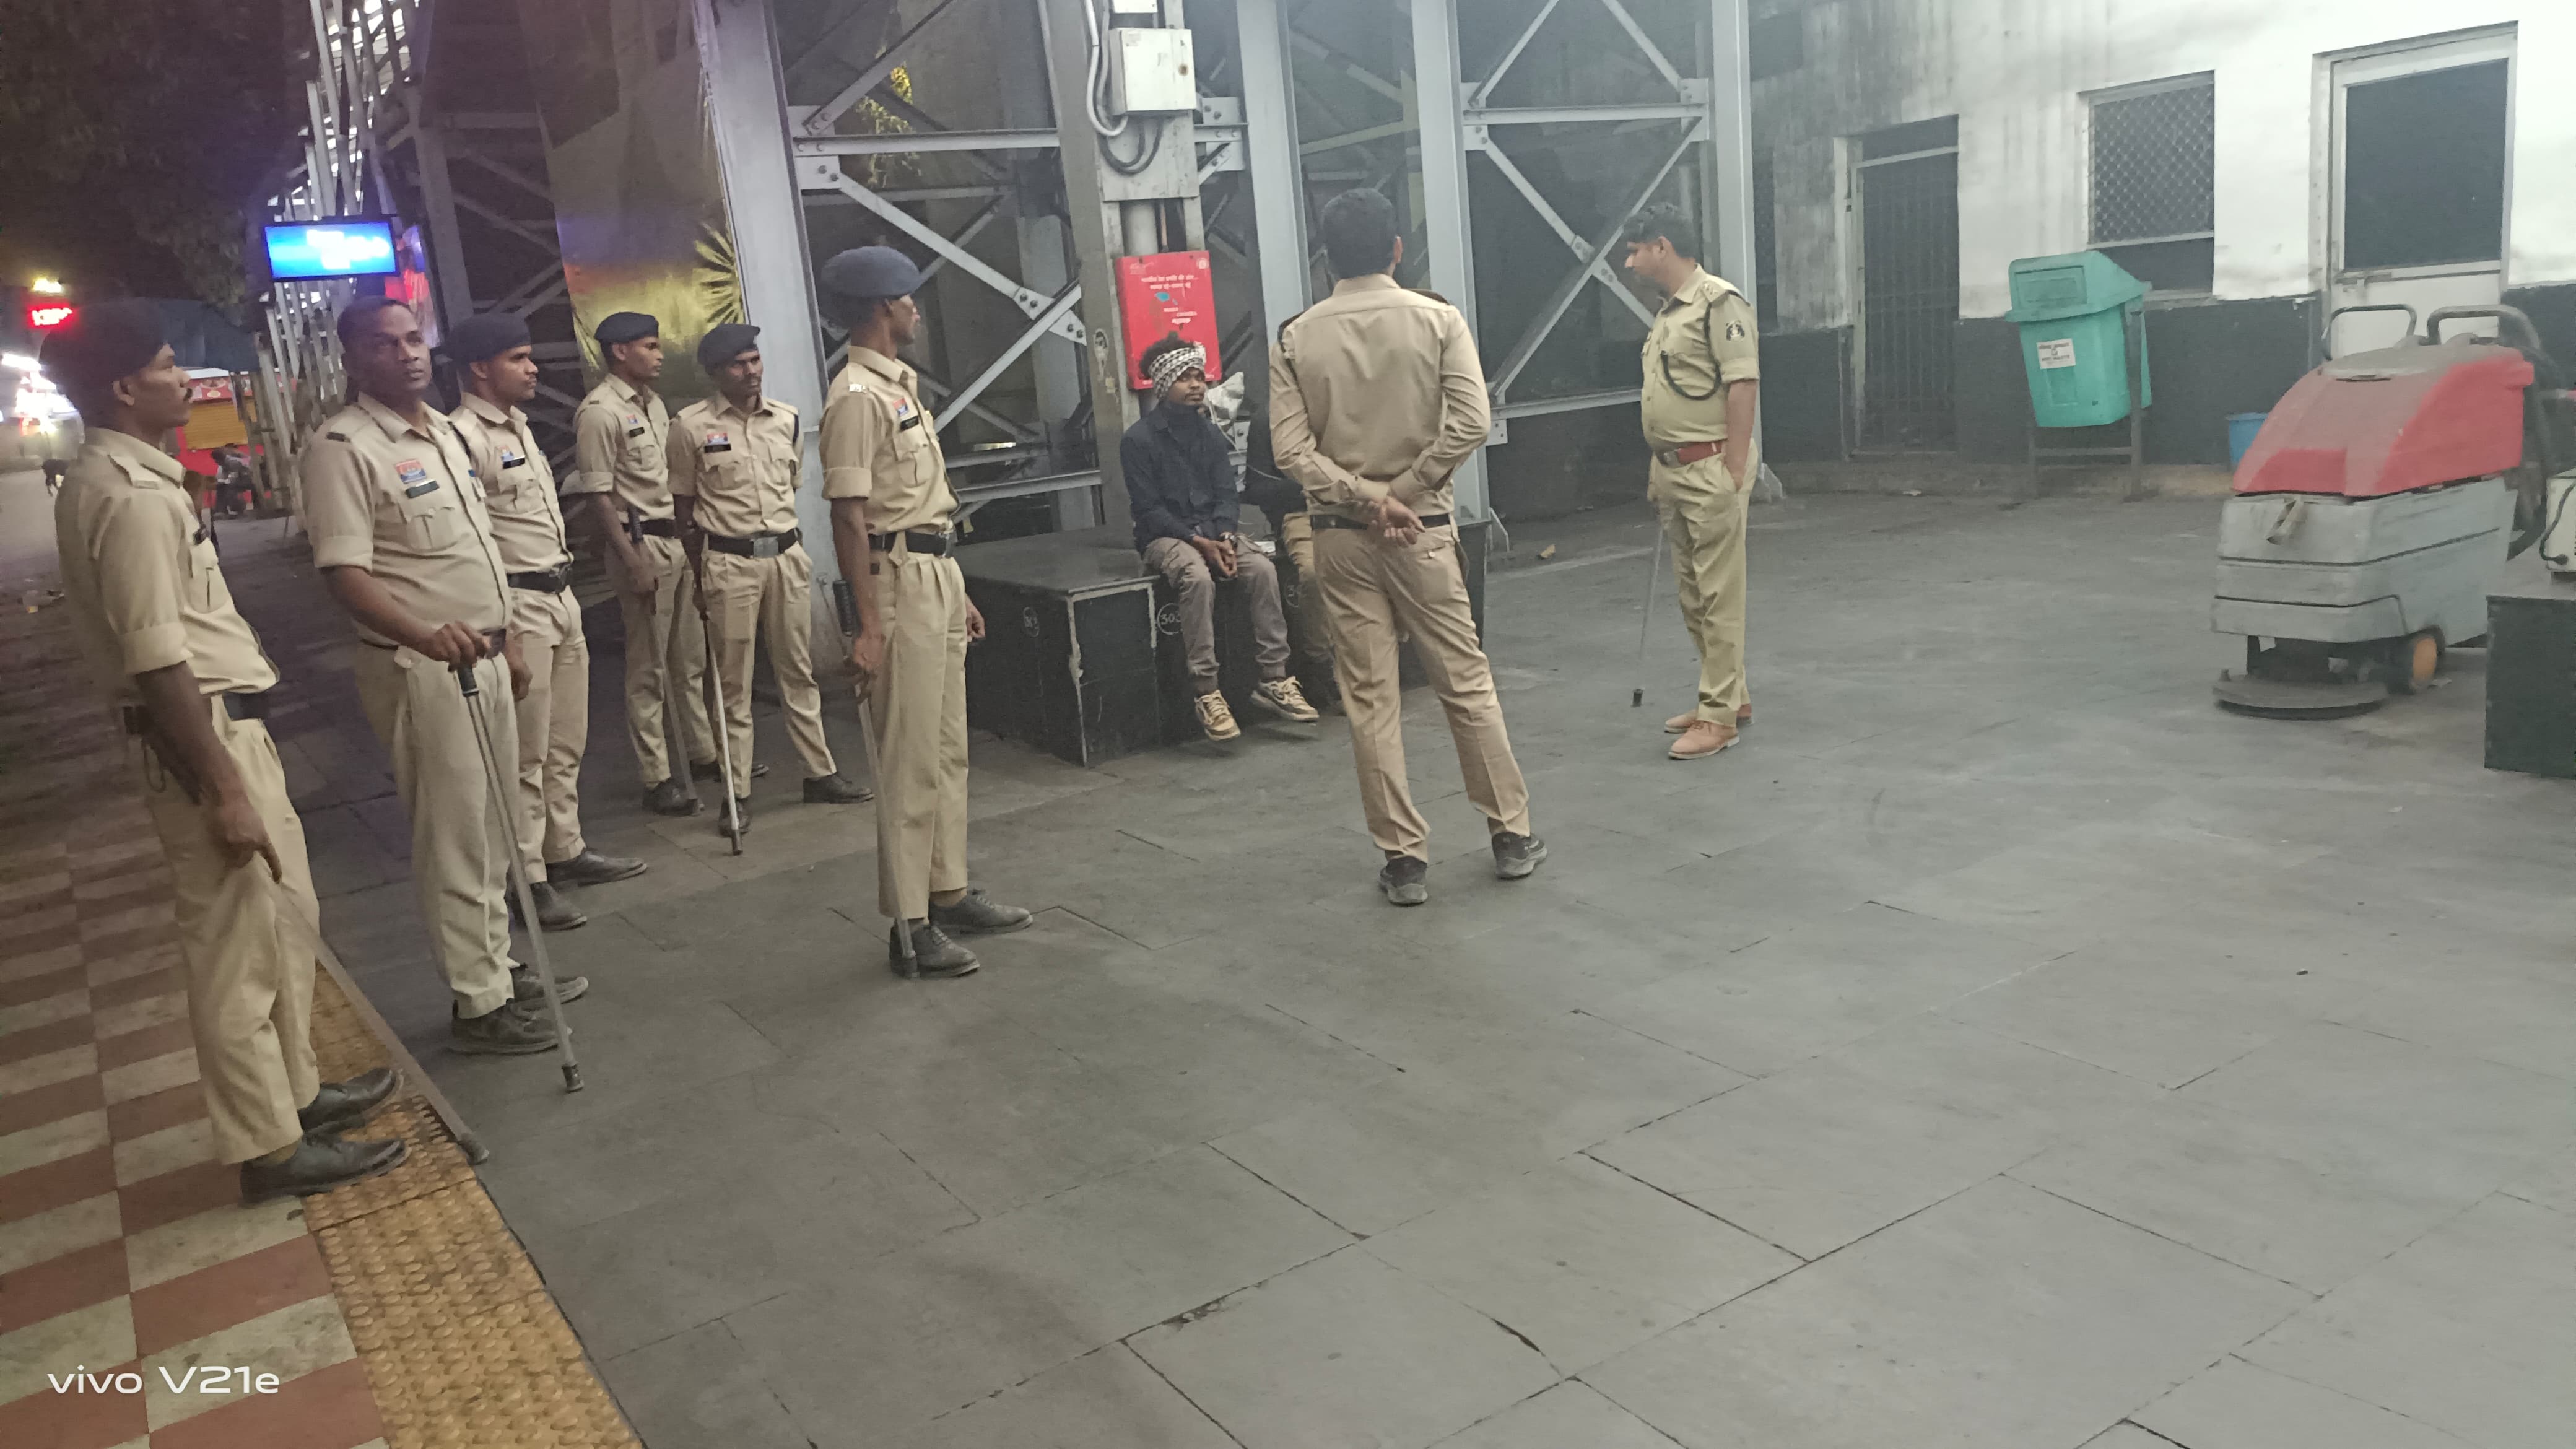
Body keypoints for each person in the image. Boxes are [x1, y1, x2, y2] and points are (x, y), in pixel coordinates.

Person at [45, 300, 407, 1200]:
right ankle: (267, 1147)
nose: (185, 379)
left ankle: (295, 1096)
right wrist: (223, 788)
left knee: (282, 924)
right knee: (236, 951)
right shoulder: (128, 499)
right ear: (125, 387)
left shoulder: (141, 480)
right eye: (170, 365)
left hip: (226, 729)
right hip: (202, 743)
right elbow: (157, 658)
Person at [302, 296, 585, 1055]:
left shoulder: (447, 436)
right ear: (354, 359)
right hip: (424, 666)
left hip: (486, 654)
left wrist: (508, 640)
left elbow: (482, 547)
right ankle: (478, 1004)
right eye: (384, 344)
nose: (407, 354)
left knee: (492, 825)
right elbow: (345, 574)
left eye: (413, 339)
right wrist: (426, 636)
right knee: (454, 833)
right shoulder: (344, 448)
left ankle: (496, 968)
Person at [1269, 188, 1546, 907]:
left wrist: (1366, 498)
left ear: (1326, 258)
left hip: (1340, 538)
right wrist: (1405, 490)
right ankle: (1510, 834)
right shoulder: (1437, 319)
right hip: (1421, 531)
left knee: (1370, 700)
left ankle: (1402, 861)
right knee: (1465, 684)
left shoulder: (1295, 338)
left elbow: (1290, 452)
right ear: (1397, 248)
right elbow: (1472, 422)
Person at [817, 246, 1031, 977]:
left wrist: (955, 586)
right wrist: (869, 624)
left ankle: (947, 889)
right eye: (908, 297)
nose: (916, 309)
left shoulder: (898, 387)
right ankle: (908, 926)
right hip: (896, 584)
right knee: (908, 759)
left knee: (945, 749)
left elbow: (920, 506)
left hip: (931, 571)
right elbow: (849, 518)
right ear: (884, 307)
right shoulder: (855, 396)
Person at [445, 311, 645, 926]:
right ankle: (526, 878)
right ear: (481, 368)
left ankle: (565, 848)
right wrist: (501, 631)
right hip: (518, 604)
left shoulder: (520, 428)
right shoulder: (462, 438)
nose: (533, 369)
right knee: (526, 753)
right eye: (518, 359)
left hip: (559, 595)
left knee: (565, 740)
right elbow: (472, 541)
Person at [669, 322, 872, 835]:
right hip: (729, 562)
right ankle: (735, 793)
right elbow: (684, 509)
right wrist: (700, 578)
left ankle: (820, 773)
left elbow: (791, 484)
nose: (751, 371)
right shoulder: (690, 427)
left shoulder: (787, 419)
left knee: (798, 671)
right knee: (733, 682)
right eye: (738, 365)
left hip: (785, 555)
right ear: (716, 373)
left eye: (755, 360)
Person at [1123, 334, 1319, 739]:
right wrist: (1199, 542)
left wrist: (1227, 535)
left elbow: (1226, 493)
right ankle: (1206, 690)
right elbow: (1149, 510)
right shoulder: (1138, 441)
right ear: (1164, 384)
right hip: (1165, 536)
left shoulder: (1210, 434)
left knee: (1262, 570)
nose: (1197, 385)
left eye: (1200, 377)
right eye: (1185, 378)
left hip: (1215, 531)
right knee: (1196, 578)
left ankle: (1274, 678)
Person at [1621, 203, 1762, 760]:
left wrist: (1733, 468)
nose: (1629, 262)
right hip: (1674, 469)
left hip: (1709, 467)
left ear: (1662, 246)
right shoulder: (1668, 313)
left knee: (1719, 595)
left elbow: (1743, 384)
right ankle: (1728, 696)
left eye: (1635, 250)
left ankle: (1718, 718)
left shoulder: (1718, 303)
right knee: (1694, 595)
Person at [565, 311, 717, 816]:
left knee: (689, 659)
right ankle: (657, 777)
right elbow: (599, 496)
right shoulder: (599, 413)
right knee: (648, 666)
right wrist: (631, 561)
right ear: (619, 352)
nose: (659, 355)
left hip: (675, 538)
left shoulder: (652, 404)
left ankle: (702, 753)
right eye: (649, 347)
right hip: (641, 543)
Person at [1242, 391, 1341, 711]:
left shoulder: (1343, 402)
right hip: (1300, 514)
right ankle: (1320, 661)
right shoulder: (1268, 418)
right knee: (1314, 572)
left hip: (1352, 505)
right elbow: (1257, 488)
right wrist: (1314, 487)